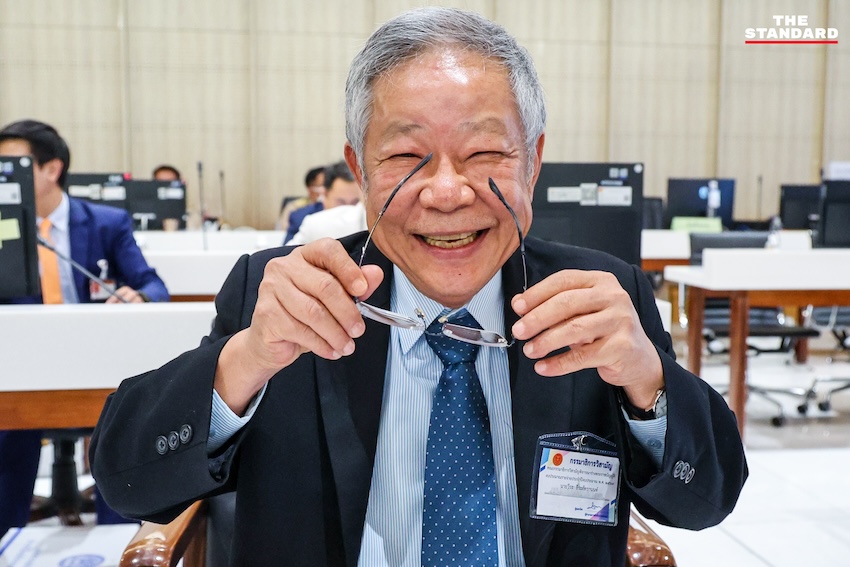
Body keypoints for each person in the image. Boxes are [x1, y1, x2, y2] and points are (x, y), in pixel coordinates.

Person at [91, 8, 747, 566]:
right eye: (406, 157)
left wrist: (646, 380)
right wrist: (246, 359)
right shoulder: (288, 296)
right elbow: (127, 482)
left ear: (533, 161)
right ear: (359, 168)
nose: (447, 192)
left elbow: (706, 500)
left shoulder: (599, 300)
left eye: (484, 153)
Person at [0, 119, 170, 537]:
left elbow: (153, 285)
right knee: (9, 428)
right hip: (22, 364)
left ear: (51, 169)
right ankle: (8, 535)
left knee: (123, 421)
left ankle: (117, 539)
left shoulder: (106, 223)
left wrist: (138, 296)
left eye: (11, 166)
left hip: (96, 362)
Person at [283, 160, 361, 244]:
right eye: (341, 202)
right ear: (324, 195)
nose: (349, 210)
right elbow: (286, 251)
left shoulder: (366, 220)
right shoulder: (302, 220)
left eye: (355, 202)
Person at [286, 200, 366, 245]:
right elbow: (284, 260)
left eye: (354, 202)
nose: (348, 206)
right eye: (341, 202)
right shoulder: (316, 224)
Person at [276, 165, 326, 231]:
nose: (326, 189)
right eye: (322, 185)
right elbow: (284, 230)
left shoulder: (334, 207)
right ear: (310, 188)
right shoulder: (294, 208)